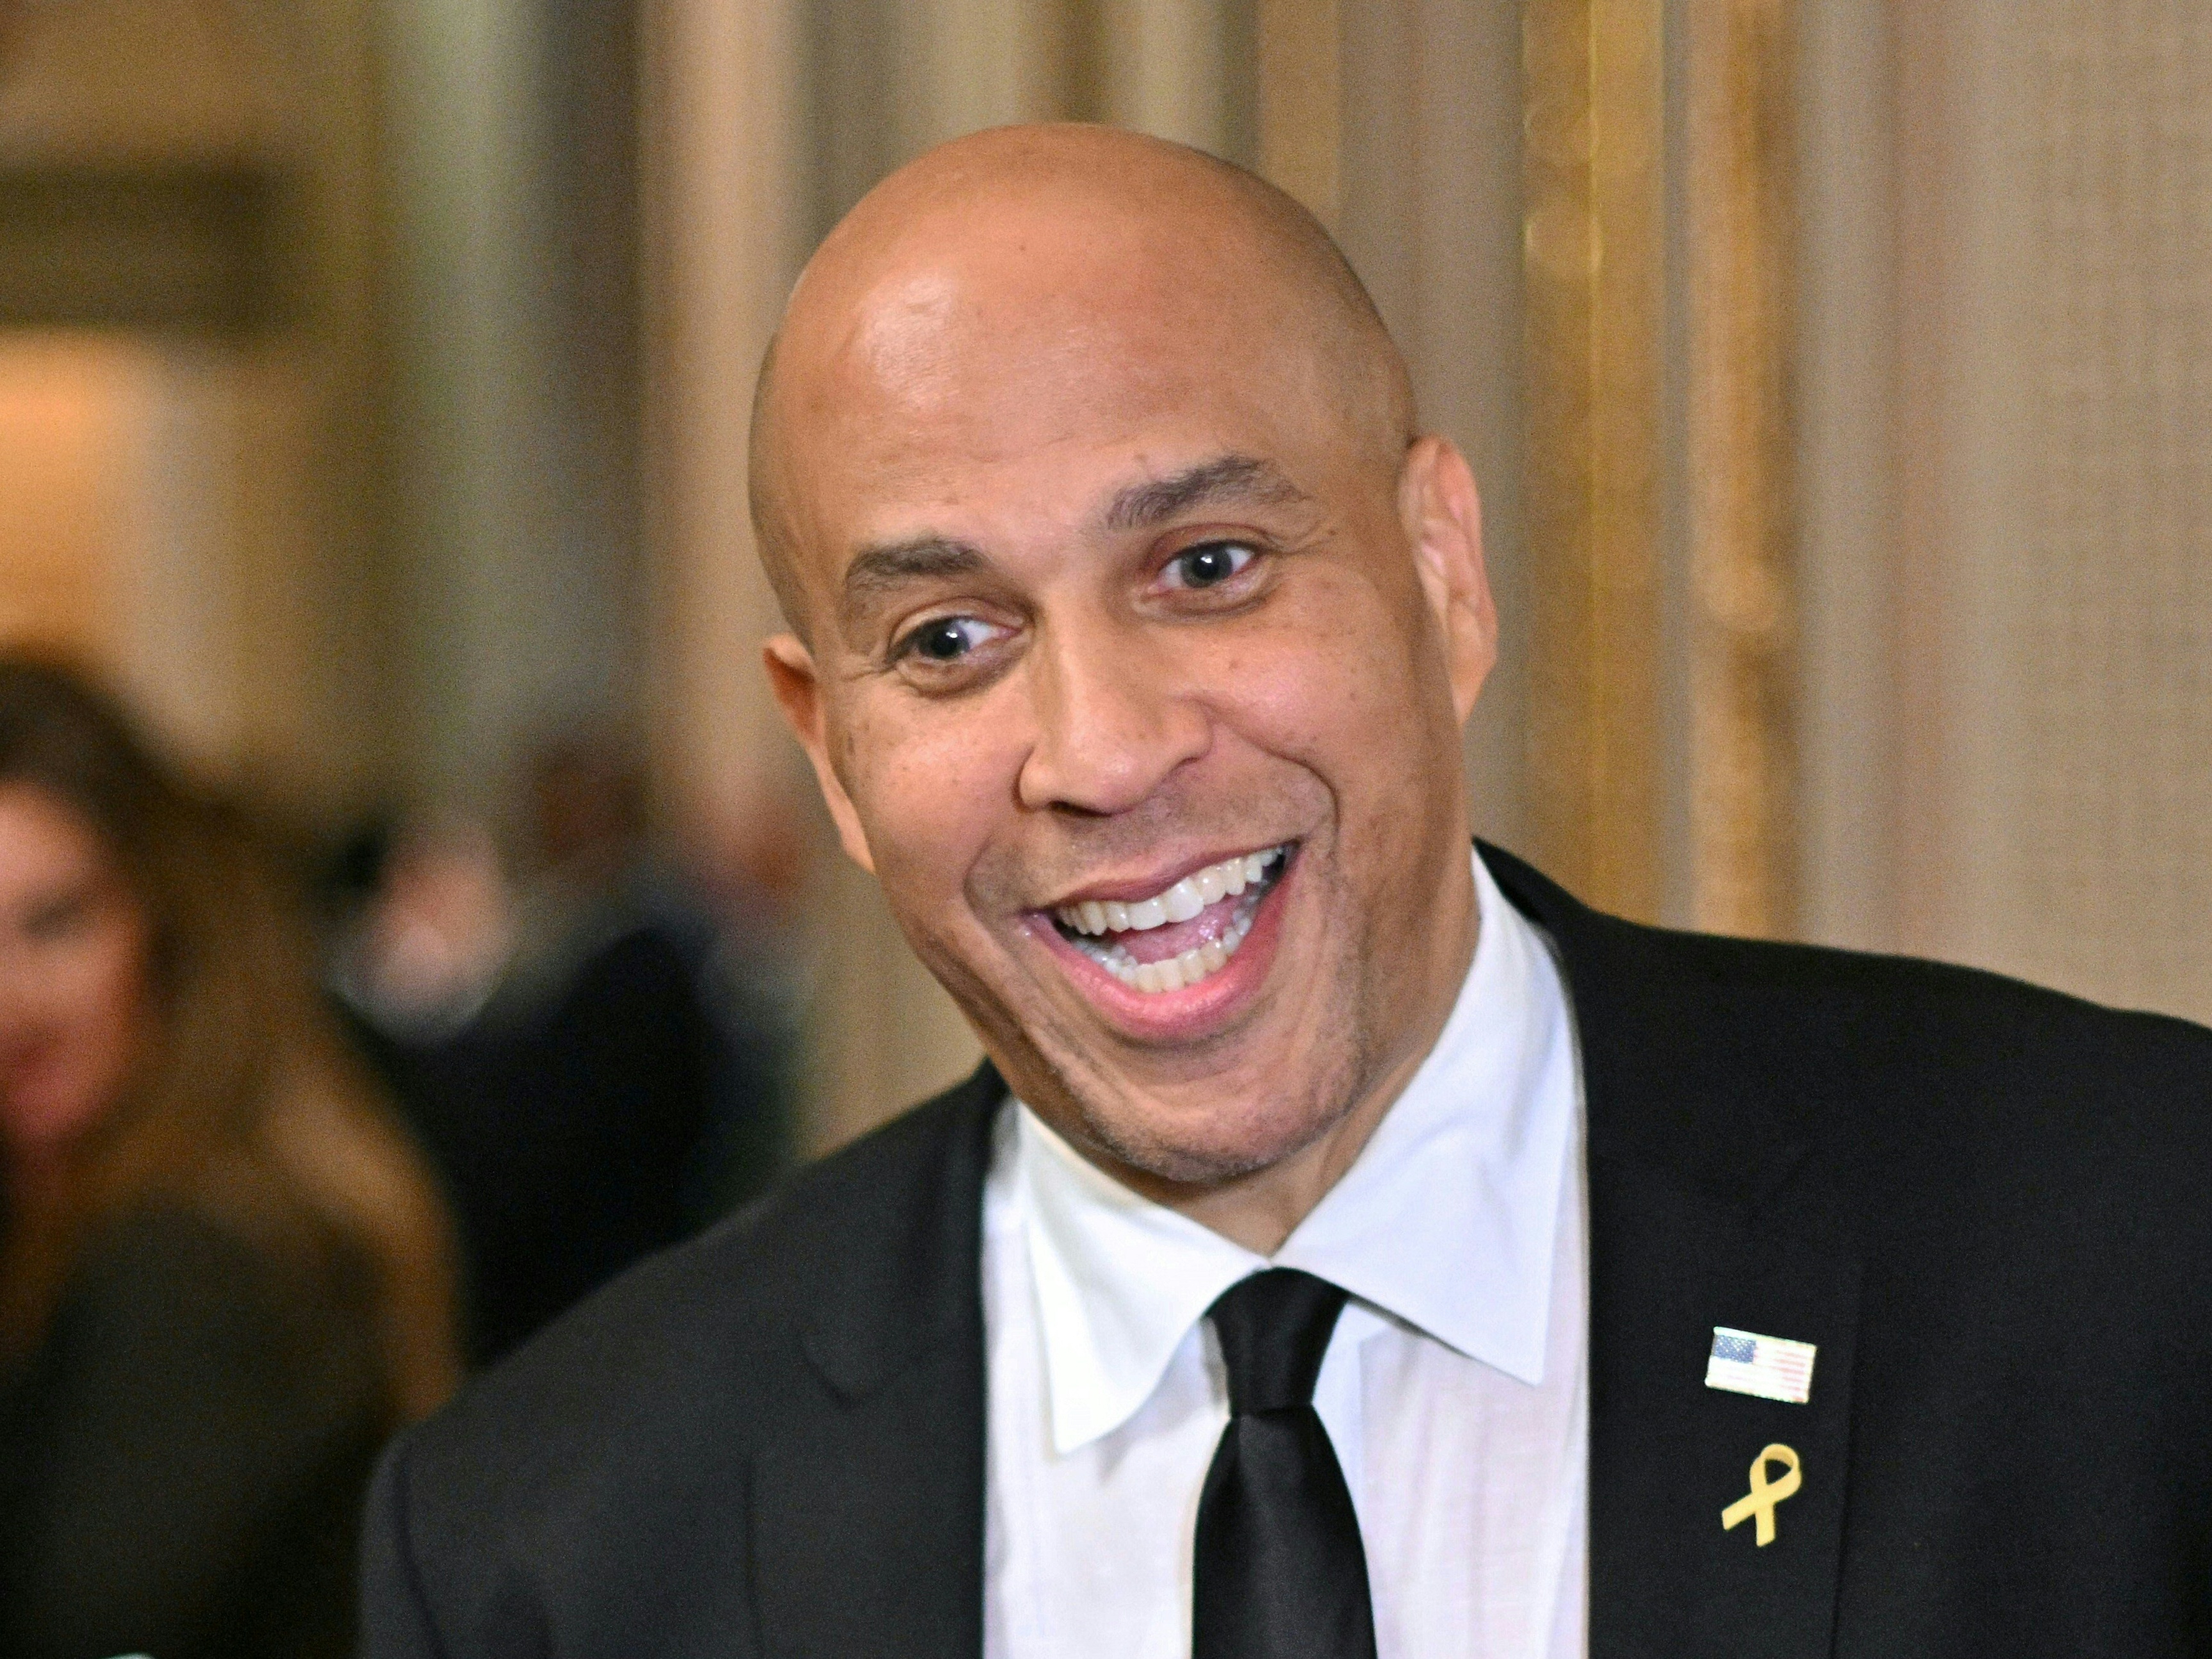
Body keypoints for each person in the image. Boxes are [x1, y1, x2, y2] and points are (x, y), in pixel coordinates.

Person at [360, 126, 2212, 1658]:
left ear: (1440, 570)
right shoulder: (554, 1545)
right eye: (945, 636)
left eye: (1208, 564)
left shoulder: (2122, 1247)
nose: (1096, 745)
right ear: (830, 749)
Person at [0, 656, 461, 1659]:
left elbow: (81, 1630)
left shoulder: (197, 1264)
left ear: (164, 932)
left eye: (57, 923)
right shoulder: (94, 1221)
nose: (13, 1005)